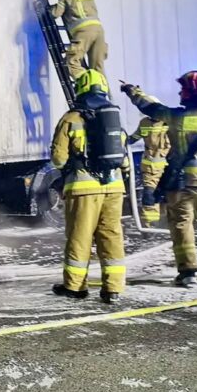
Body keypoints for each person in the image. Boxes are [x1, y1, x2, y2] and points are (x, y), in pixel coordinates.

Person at [122, 71, 197, 286]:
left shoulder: (176, 118)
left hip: (181, 183)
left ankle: (188, 272)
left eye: (183, 89)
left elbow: (151, 108)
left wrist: (133, 91)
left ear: (190, 93)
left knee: (181, 225)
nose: (180, 92)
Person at [50, 69, 128, 303]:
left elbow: (58, 158)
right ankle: (113, 289)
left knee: (80, 237)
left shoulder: (71, 118)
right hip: (114, 187)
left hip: (83, 189)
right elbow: (123, 158)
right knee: (111, 236)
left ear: (80, 88)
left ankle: (75, 287)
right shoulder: (112, 117)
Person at [50, 0, 107, 80]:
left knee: (71, 62)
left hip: (83, 32)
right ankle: (100, 90)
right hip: (99, 31)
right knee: (98, 67)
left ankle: (88, 84)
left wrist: (45, 8)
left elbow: (55, 13)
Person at [128, 116, 171, 225]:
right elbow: (136, 136)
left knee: (168, 194)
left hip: (169, 164)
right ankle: (150, 223)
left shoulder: (170, 120)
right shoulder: (145, 122)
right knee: (149, 193)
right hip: (151, 165)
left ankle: (166, 220)